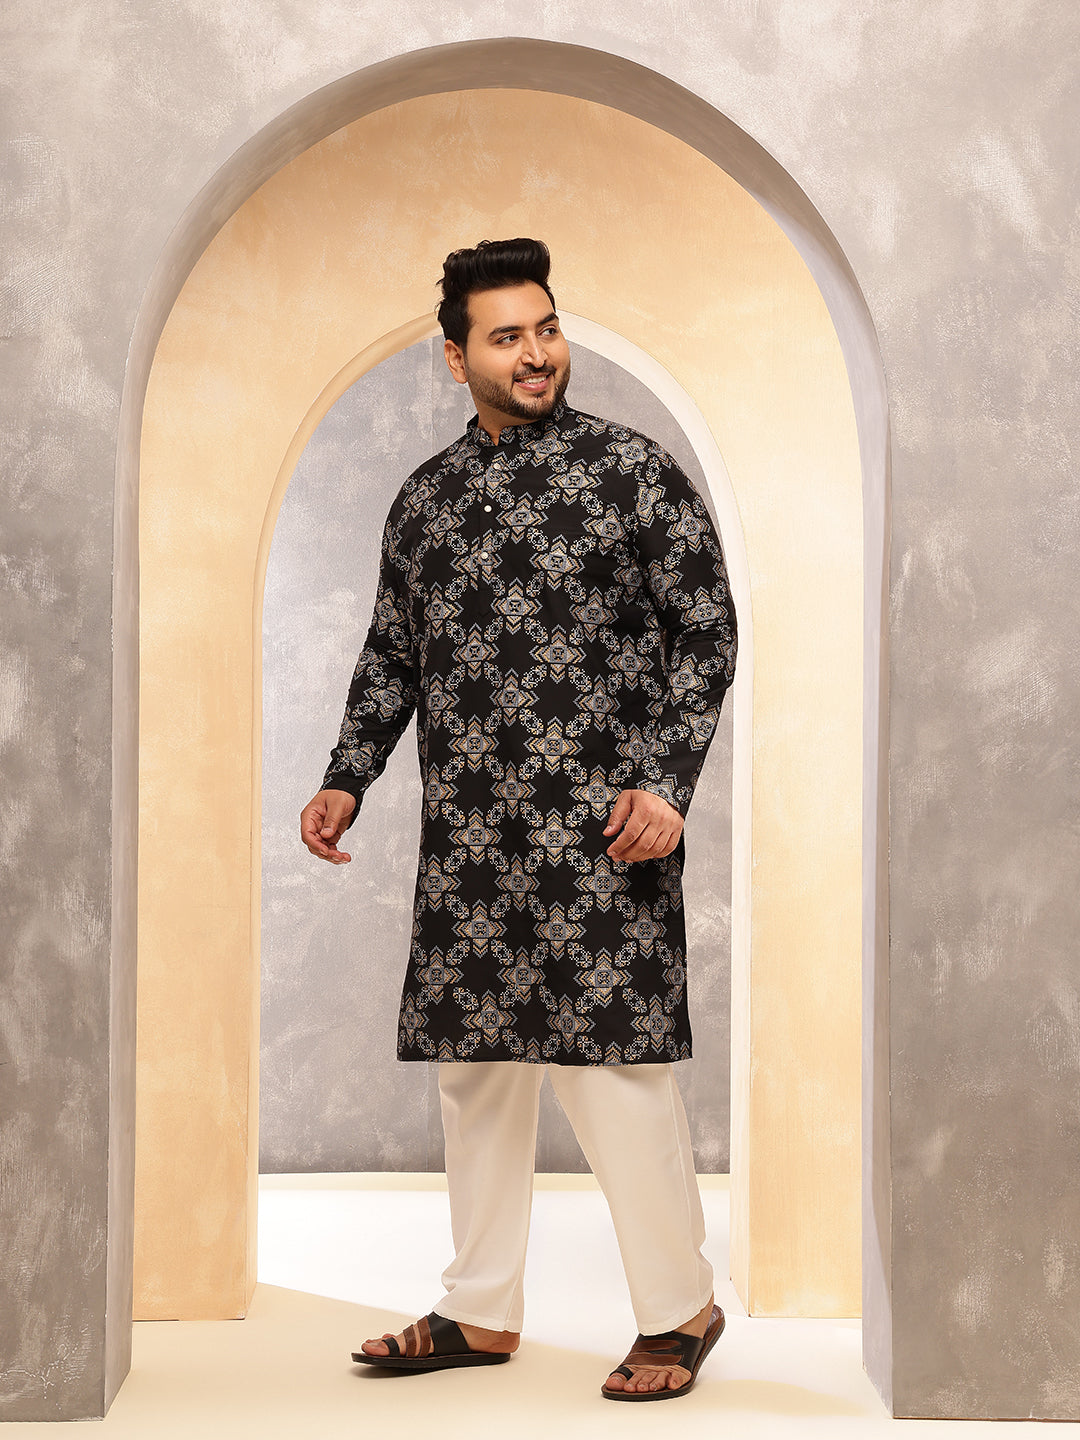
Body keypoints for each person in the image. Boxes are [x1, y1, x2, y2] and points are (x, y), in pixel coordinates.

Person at [299, 238, 737, 1401]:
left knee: (613, 1073)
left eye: (546, 328)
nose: (537, 353)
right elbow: (393, 652)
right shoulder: (427, 499)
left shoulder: (632, 472)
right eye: (507, 337)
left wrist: (667, 783)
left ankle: (680, 1311)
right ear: (458, 358)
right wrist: (348, 775)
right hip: (474, 841)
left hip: (605, 832)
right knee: (478, 1073)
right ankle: (479, 1310)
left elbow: (706, 629)